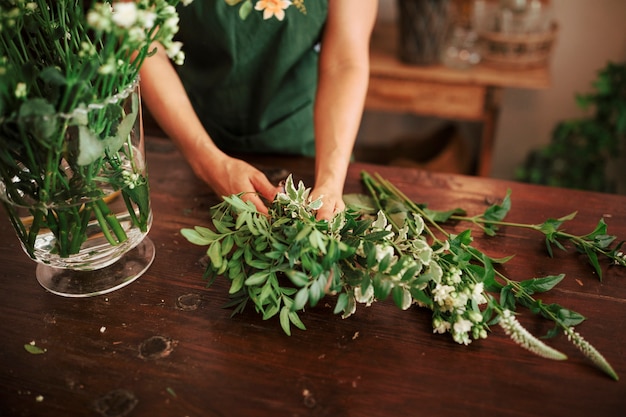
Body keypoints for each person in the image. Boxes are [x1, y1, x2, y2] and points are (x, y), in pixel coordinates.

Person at [140, 0, 377, 220]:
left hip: (308, 140)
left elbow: (343, 62)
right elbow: (142, 41)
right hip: (189, 130)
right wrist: (207, 163)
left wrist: (330, 182)